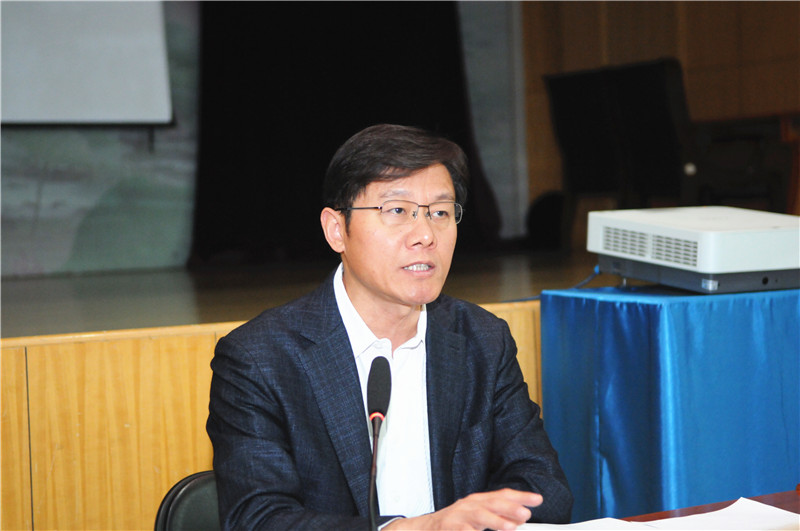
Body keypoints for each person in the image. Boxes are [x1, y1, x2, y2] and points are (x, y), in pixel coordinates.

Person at [207, 124, 573, 530]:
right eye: (397, 211)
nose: (425, 235)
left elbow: (545, 490)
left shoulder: (482, 340)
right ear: (336, 230)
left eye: (440, 212)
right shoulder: (260, 359)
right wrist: (414, 529)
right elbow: (257, 520)